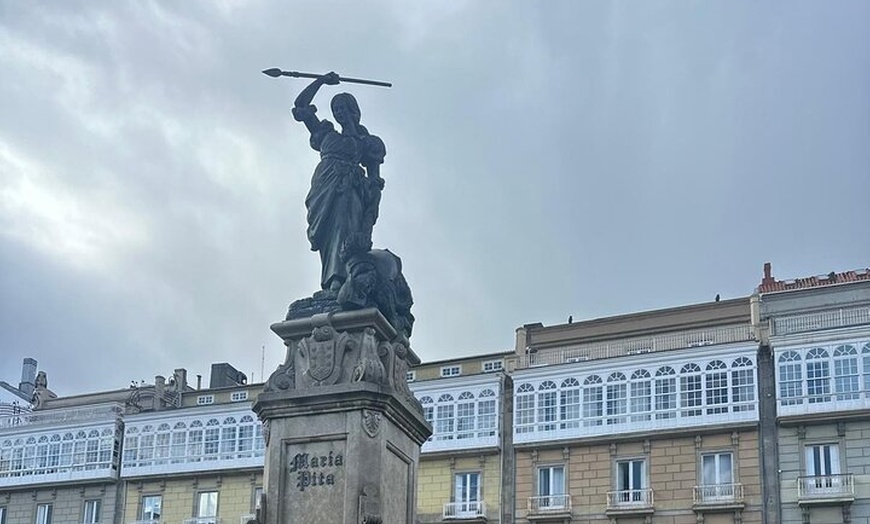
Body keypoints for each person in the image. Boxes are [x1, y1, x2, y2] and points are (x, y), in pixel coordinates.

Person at [292, 72, 386, 297]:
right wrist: (321, 81)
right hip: (323, 186)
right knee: (326, 235)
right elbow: (300, 105)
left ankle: (340, 280)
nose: (339, 113)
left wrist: (371, 208)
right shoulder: (325, 133)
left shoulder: (366, 143)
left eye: (343, 109)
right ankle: (328, 282)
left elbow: (374, 181)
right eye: (336, 110)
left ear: (354, 111)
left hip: (349, 187)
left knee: (344, 229)